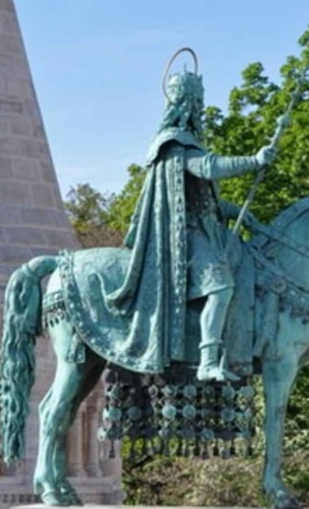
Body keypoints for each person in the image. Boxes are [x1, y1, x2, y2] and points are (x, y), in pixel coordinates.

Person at [107, 62, 276, 383]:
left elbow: (201, 198)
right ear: (183, 104)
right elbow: (208, 168)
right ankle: (208, 360)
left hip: (206, 230)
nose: (200, 109)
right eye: (196, 102)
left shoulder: (187, 142)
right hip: (183, 237)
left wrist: (232, 209)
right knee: (222, 287)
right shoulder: (173, 142)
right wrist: (254, 161)